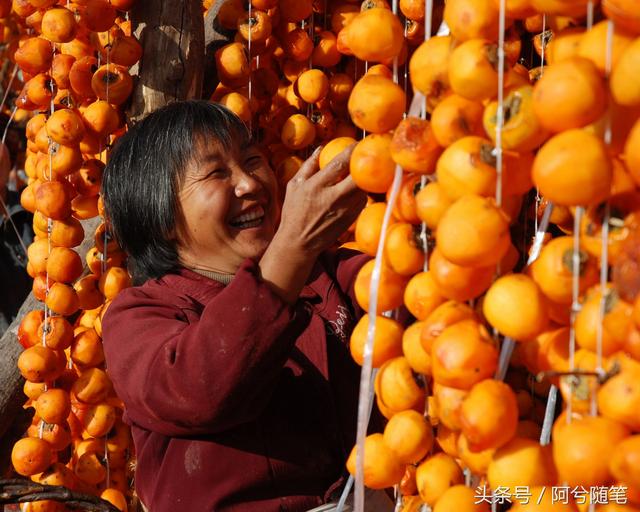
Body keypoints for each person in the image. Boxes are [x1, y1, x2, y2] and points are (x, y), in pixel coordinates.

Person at [101, 101, 392, 511]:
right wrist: (294, 247)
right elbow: (200, 389)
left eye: (252, 161)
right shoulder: (139, 315)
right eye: (217, 172)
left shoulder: (327, 276)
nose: (250, 184)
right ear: (162, 217)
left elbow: (408, 287)